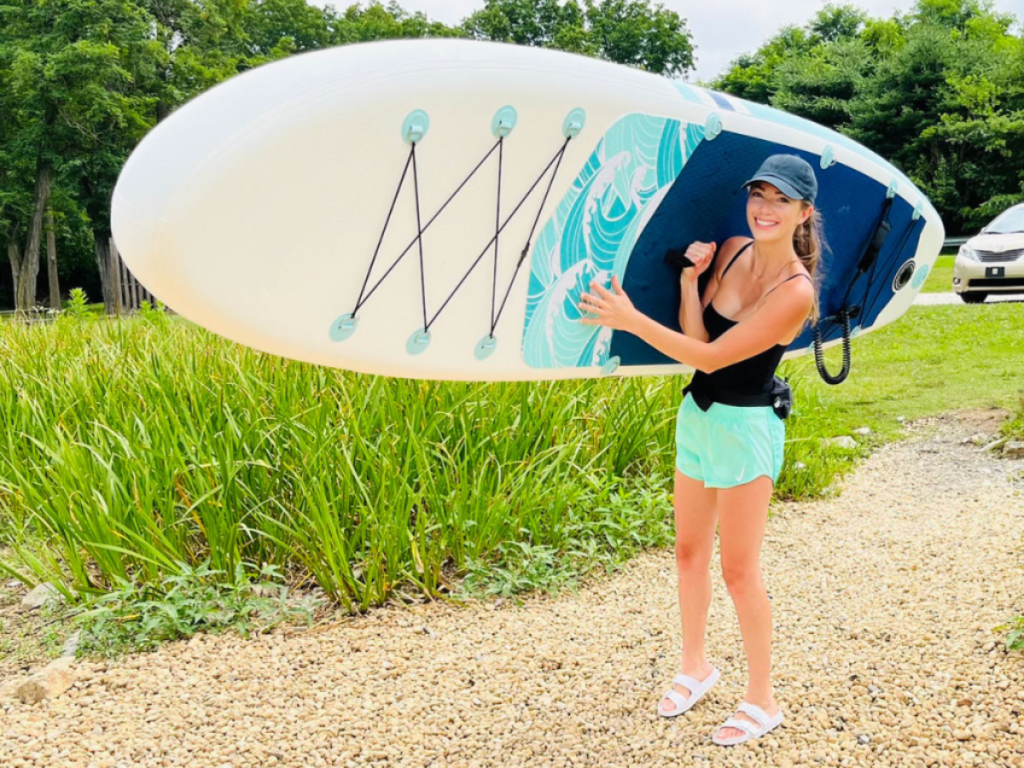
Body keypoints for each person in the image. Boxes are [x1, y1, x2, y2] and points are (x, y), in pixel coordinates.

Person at [576, 154, 823, 747]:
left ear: (803, 213)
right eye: (758, 194)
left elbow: (717, 359)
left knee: (740, 571)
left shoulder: (796, 292)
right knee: (688, 552)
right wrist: (689, 282)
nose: (765, 208)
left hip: (746, 428)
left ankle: (763, 700)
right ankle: (696, 667)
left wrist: (629, 319)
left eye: (780, 200)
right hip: (699, 416)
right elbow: (698, 343)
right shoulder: (735, 247)